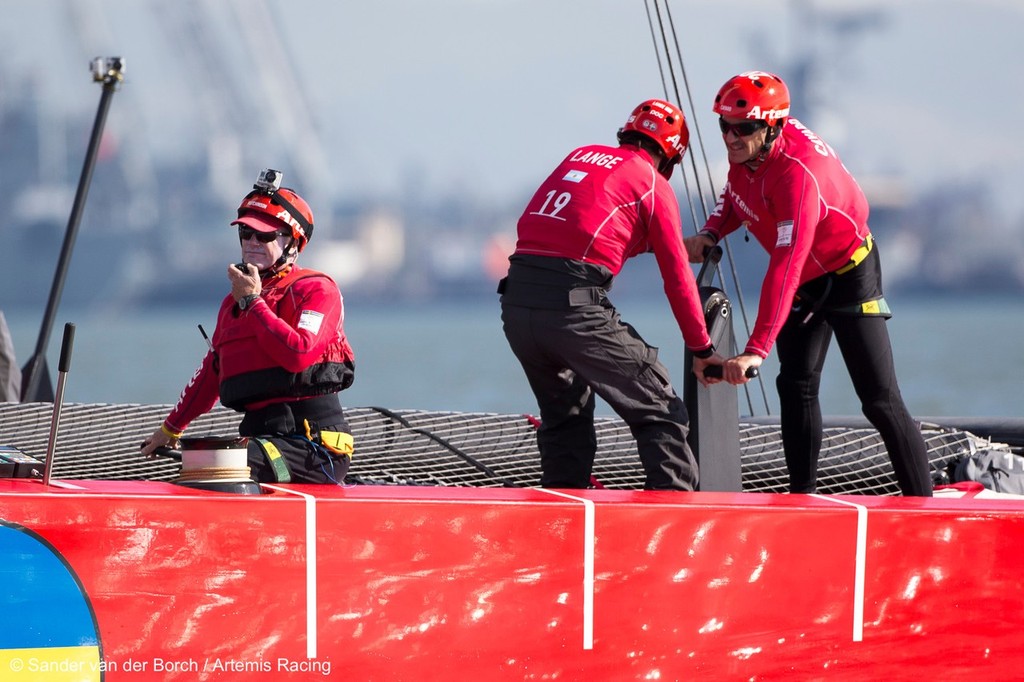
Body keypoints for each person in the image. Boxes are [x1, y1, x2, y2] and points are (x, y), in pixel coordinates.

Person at [685, 71, 932, 497]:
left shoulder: (798, 177)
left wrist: (754, 350)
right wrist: (711, 232)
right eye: (723, 126)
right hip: (805, 280)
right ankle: (803, 500)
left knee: (878, 398)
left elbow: (785, 268)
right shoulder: (749, 147)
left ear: (773, 127)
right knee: (795, 385)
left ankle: (925, 507)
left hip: (848, 274)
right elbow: (736, 193)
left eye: (742, 128)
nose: (729, 137)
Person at [499, 99, 724, 492]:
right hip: (572, 310)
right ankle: (673, 531)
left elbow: (576, 229)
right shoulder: (652, 183)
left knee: (565, 417)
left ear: (626, 134)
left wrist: (667, 243)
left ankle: (561, 528)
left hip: (517, 305)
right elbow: (678, 282)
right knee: (659, 409)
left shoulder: (581, 155)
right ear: (670, 158)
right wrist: (702, 349)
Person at [141, 170, 356, 484]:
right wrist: (170, 429)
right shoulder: (232, 303)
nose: (252, 242)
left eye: (265, 235)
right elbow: (212, 372)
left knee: (221, 464)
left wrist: (254, 302)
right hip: (259, 441)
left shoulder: (317, 291)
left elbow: (298, 354)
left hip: (315, 449)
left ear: (292, 242)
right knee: (199, 458)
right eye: (246, 234)